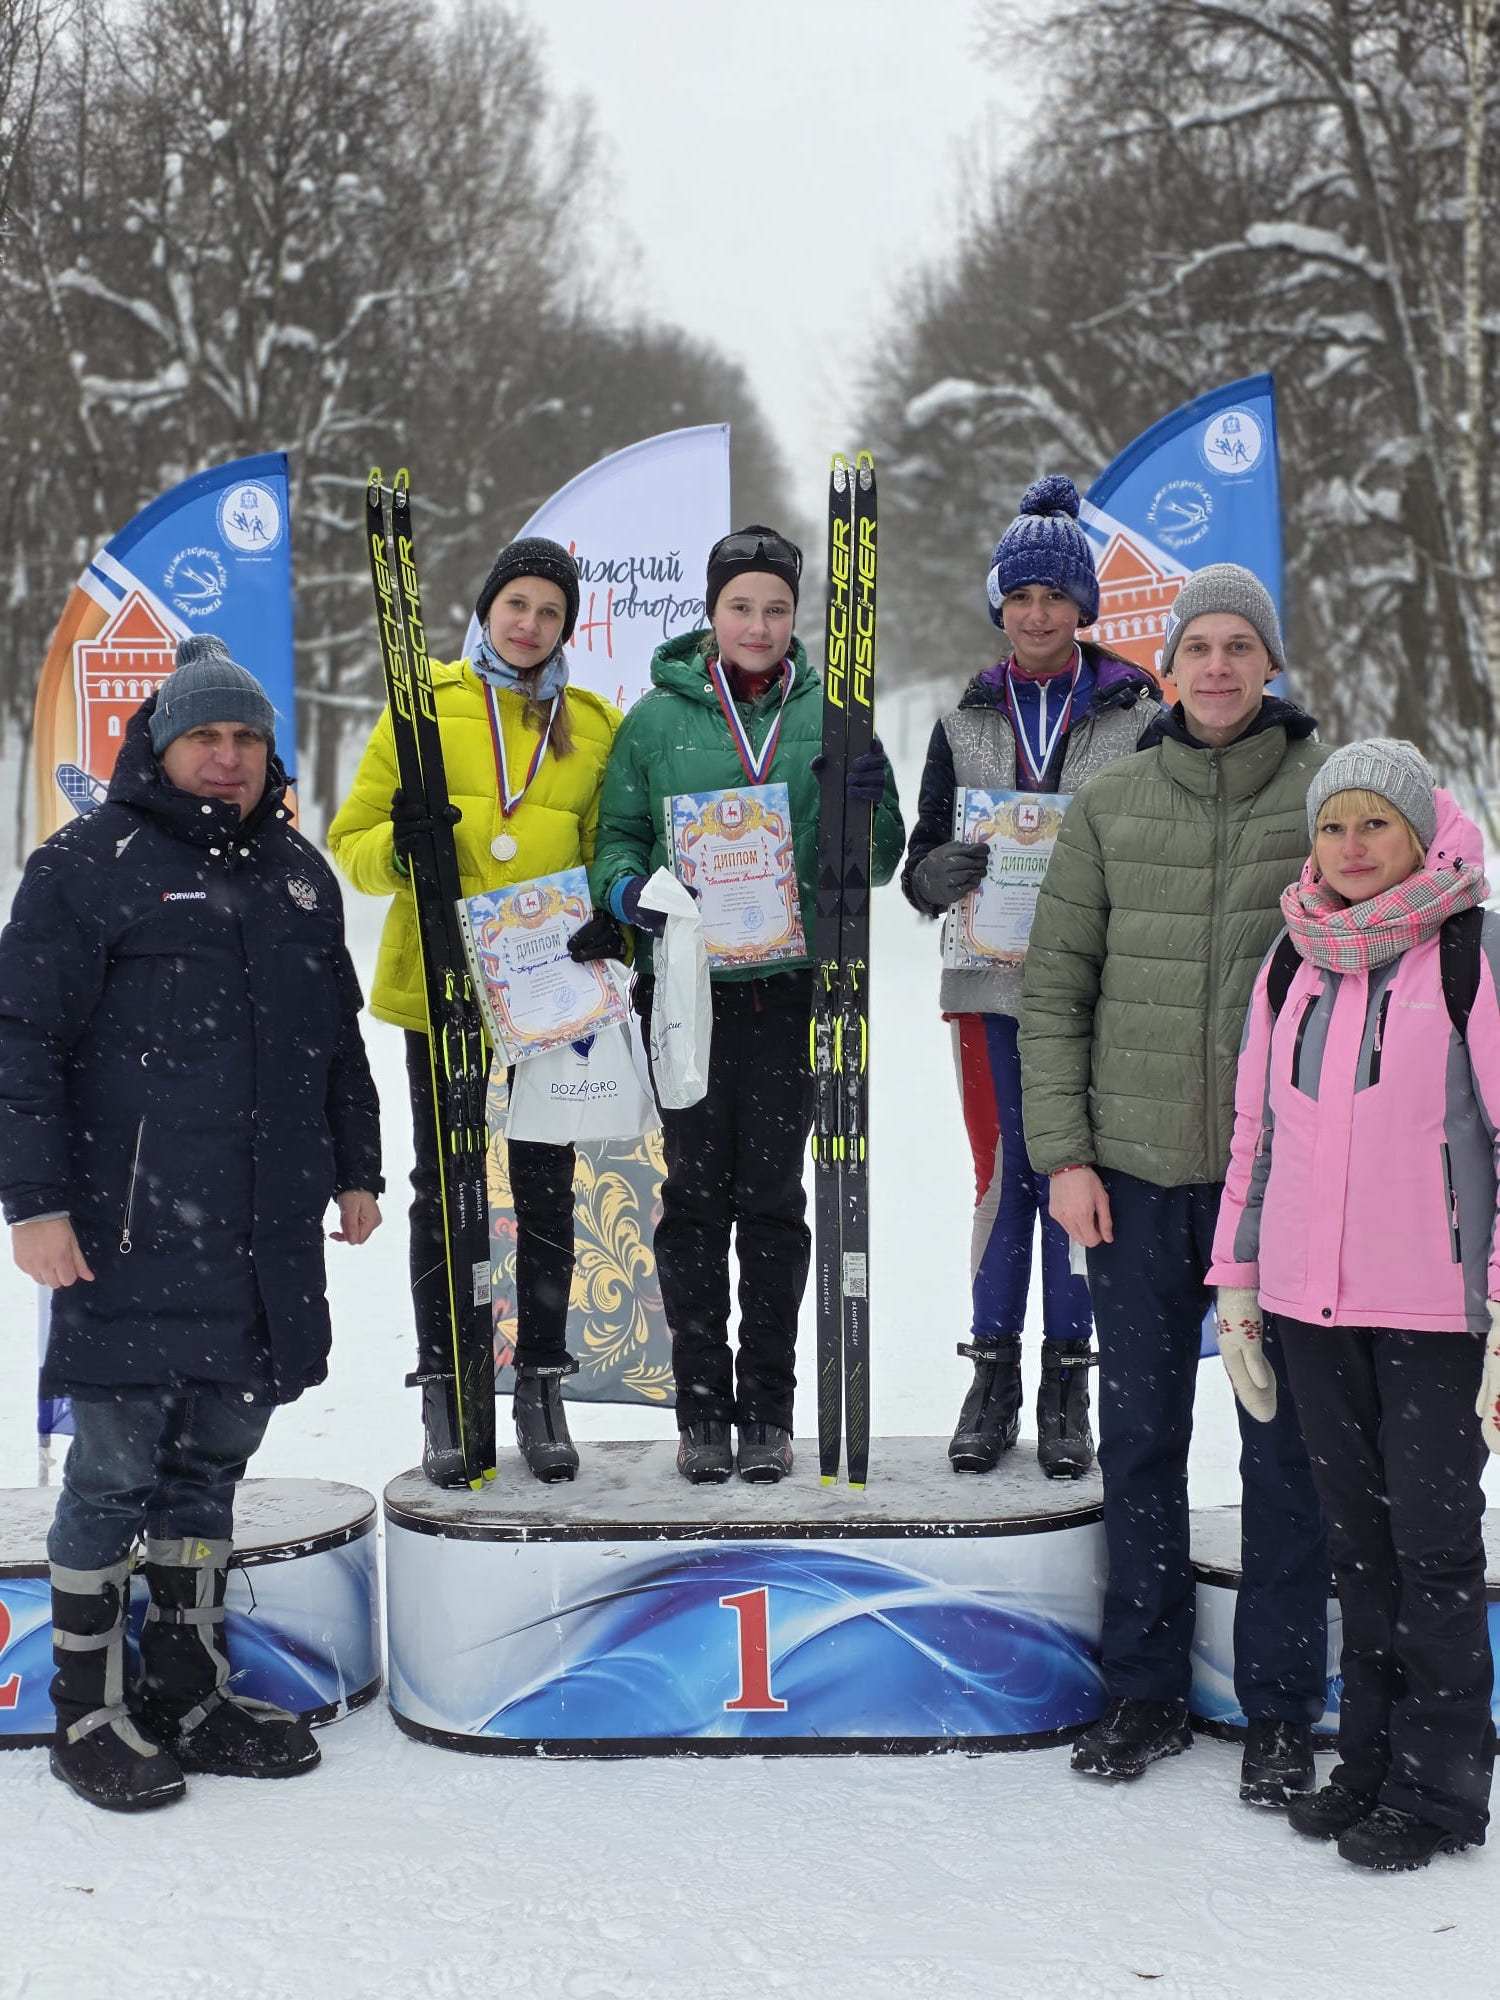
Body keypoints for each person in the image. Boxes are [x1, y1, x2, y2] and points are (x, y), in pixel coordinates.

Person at [0, 637, 383, 1813]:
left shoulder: (300, 874)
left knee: (211, 1466)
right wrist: (34, 1203)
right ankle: (87, 1709)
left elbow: (338, 1040)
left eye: (246, 737)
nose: (228, 757)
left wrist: (357, 1168)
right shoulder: (85, 864)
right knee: (114, 1474)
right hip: (127, 1233)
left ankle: (187, 1688)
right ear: (160, 747)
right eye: (206, 736)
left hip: (260, 1239)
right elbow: (22, 1043)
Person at [1018, 563, 1330, 1801]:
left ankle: (1281, 1706)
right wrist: (1065, 1154)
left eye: (1239, 645)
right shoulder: (1112, 800)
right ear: (1166, 666)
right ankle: (1143, 1688)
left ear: (1270, 664)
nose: (1216, 666)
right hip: (1135, 1179)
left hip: (1282, 1187)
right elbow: (1056, 987)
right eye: (1197, 645)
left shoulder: (1327, 796)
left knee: (1284, 1448)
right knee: (1143, 1438)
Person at [1210, 741, 1498, 1870]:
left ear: (1420, 835)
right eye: (1334, 825)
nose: (1352, 845)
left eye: (1377, 823)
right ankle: (1371, 1763)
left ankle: (1440, 1787)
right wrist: (1240, 1281)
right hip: (1310, 1306)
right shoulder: (1293, 956)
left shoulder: (1469, 952)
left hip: (1432, 1309)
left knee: (1431, 1552)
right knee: (1359, 1550)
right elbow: (1256, 1133)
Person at [588, 526, 904, 1485]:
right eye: (740, 607)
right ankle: (700, 1409)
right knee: (692, 1201)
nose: (758, 625)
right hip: (685, 994)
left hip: (788, 990)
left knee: (772, 1201)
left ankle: (767, 1408)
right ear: (712, 613)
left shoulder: (835, 714)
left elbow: (877, 862)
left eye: (775, 608)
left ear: (795, 616)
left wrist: (867, 805)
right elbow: (618, 838)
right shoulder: (654, 721)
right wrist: (628, 894)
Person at [330, 537, 621, 1487]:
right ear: (489, 608)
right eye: (516, 604)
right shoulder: (423, 706)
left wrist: (609, 924)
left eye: (549, 612)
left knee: (545, 1181)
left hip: (545, 991)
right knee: (445, 1182)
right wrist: (401, 847)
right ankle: (447, 1384)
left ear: (567, 627)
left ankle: (540, 1382)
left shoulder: (592, 724)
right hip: (443, 981)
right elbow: (350, 841)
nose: (530, 624)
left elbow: (607, 847)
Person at [902, 475, 1159, 1480]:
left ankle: (1067, 1380)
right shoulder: (963, 719)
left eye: (1056, 596)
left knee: (1078, 1175)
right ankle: (993, 1373)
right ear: (998, 605)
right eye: (1021, 596)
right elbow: (918, 862)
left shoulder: (1137, 715)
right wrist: (934, 876)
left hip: (1102, 990)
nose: (1039, 613)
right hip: (990, 987)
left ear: (1083, 606)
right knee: (1009, 1176)